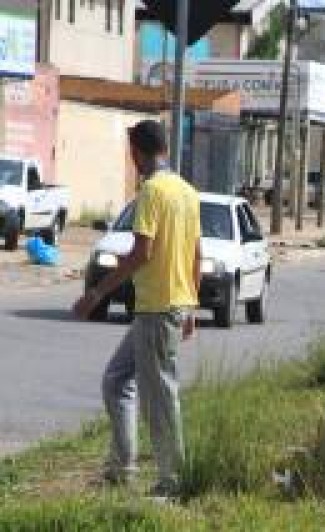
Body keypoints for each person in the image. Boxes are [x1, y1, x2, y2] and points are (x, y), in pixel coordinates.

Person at [72, 120, 201, 500]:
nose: (133, 162)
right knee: (117, 379)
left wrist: (96, 293)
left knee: (160, 396)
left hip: (159, 309)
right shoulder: (187, 192)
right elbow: (197, 254)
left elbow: (141, 252)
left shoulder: (153, 191)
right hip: (169, 305)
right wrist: (192, 305)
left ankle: (172, 481)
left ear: (140, 153)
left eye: (133, 155)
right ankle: (122, 467)